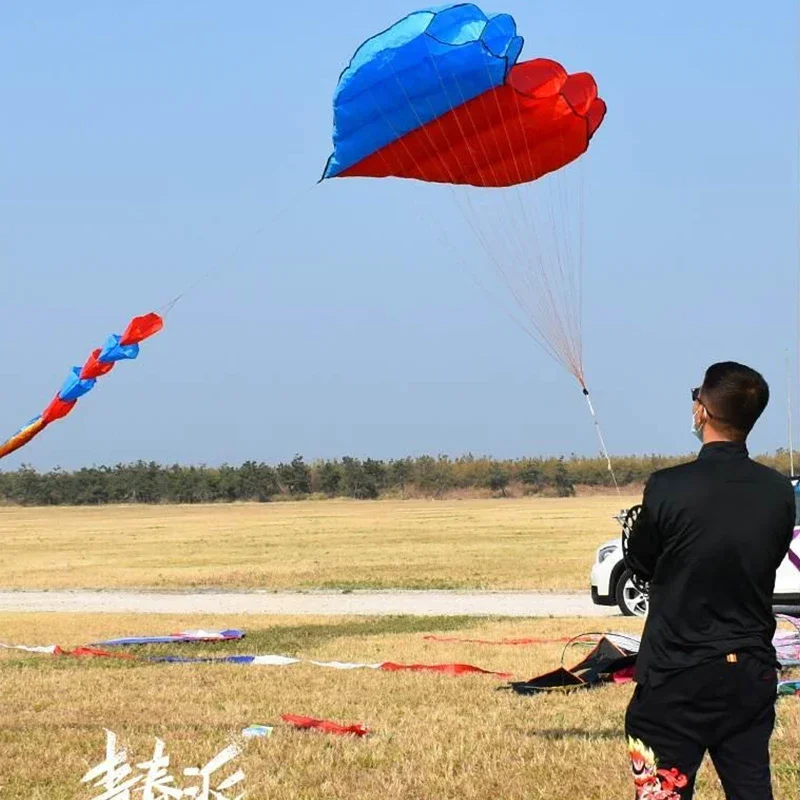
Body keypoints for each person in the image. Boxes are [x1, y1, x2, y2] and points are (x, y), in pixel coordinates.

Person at [623, 361, 795, 800]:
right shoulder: (779, 491)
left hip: (676, 674)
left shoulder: (666, 486)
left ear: (702, 412)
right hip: (750, 674)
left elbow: (640, 564)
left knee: (663, 792)